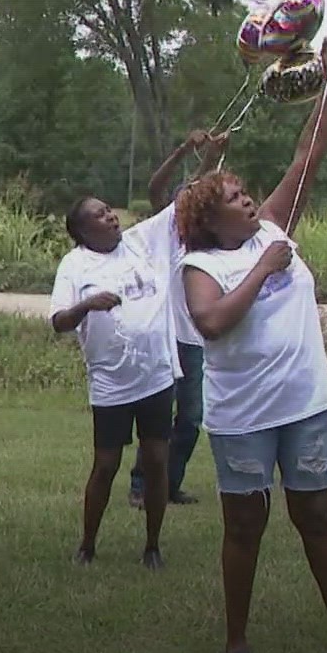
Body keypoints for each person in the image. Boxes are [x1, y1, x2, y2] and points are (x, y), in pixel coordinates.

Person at [176, 33, 327, 653]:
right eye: (234, 198)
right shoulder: (202, 262)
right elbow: (212, 323)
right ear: (212, 219)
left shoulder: (275, 226)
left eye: (245, 192)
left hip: (306, 404)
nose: (249, 199)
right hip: (243, 416)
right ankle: (235, 642)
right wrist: (262, 267)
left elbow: (307, 157)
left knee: (316, 516)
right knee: (243, 527)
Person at [50, 195, 178, 569]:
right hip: (111, 383)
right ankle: (87, 544)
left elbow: (180, 201)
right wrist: (86, 305)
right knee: (106, 465)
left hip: (155, 375)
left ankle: (152, 546)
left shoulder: (141, 242)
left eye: (109, 211)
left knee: (156, 461)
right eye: (99, 216)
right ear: (82, 232)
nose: (110, 217)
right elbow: (59, 321)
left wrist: (197, 154)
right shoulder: (74, 265)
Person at [127, 128, 230, 509]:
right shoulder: (167, 231)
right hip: (165, 335)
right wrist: (192, 150)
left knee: (190, 418)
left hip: (193, 341)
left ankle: (169, 484)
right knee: (158, 415)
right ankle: (142, 486)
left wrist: (212, 158)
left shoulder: (206, 237)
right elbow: (158, 186)